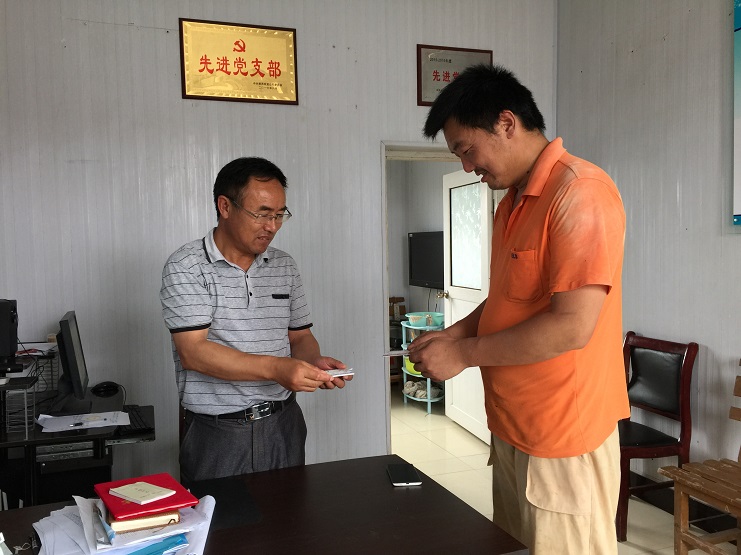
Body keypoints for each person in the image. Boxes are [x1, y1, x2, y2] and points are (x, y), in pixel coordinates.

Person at [409, 64, 629, 554]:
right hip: (513, 427)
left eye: (467, 150)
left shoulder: (580, 192)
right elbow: (509, 298)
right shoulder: (511, 203)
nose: (468, 167)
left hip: (562, 437)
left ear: (506, 123)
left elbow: (571, 326)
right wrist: (454, 335)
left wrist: (464, 355)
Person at [160, 156, 349, 485]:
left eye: (279, 215)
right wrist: (278, 369)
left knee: (289, 514)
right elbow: (194, 352)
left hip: (284, 423)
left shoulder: (284, 265)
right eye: (262, 214)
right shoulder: (186, 266)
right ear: (225, 206)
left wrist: (313, 362)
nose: (272, 226)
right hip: (218, 433)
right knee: (221, 518)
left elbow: (300, 337)